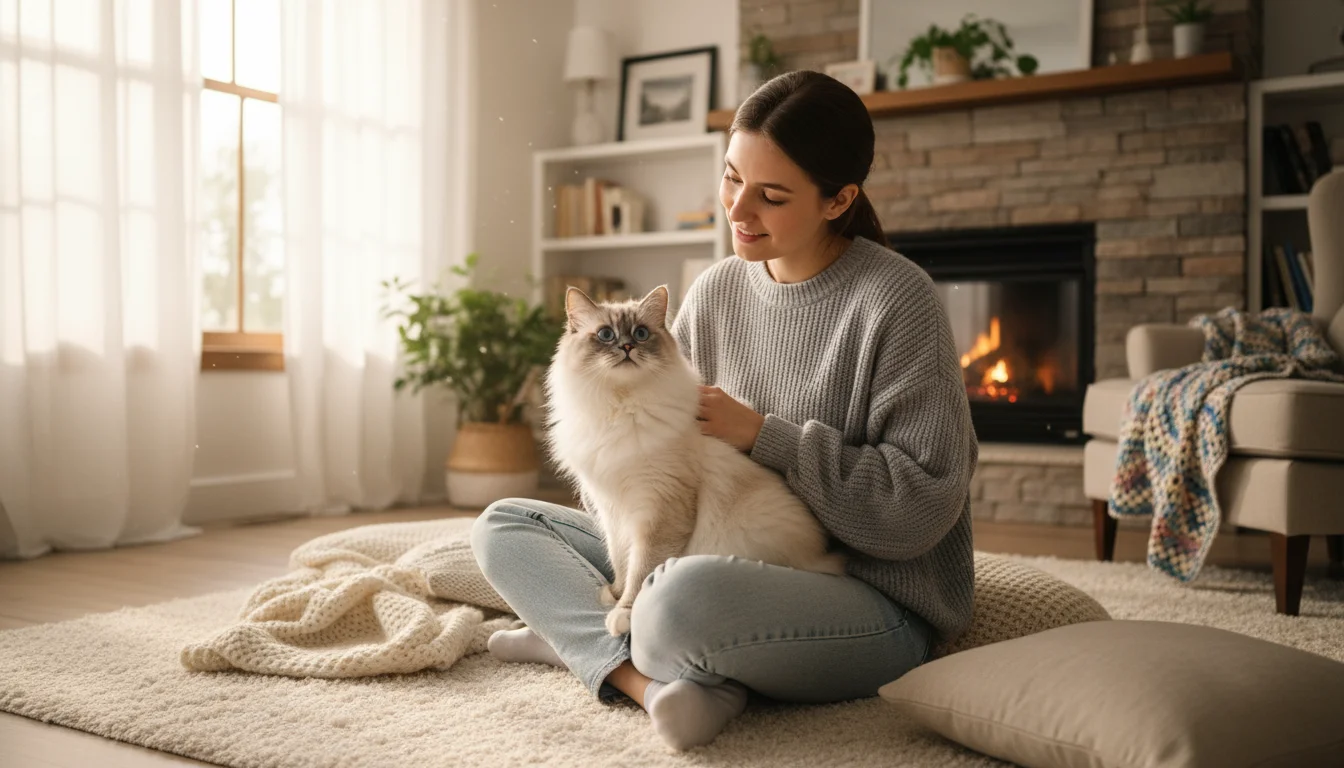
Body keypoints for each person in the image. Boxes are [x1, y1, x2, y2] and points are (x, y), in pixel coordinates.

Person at [471, 70, 977, 751]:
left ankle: (584, 642)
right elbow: (656, 480)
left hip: (866, 597)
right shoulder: (713, 292)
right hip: (702, 543)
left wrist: (769, 437)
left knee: (680, 600)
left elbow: (920, 509)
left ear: (839, 201)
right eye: (731, 178)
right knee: (504, 525)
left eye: (770, 196)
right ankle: (646, 678)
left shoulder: (897, 302)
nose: (738, 212)